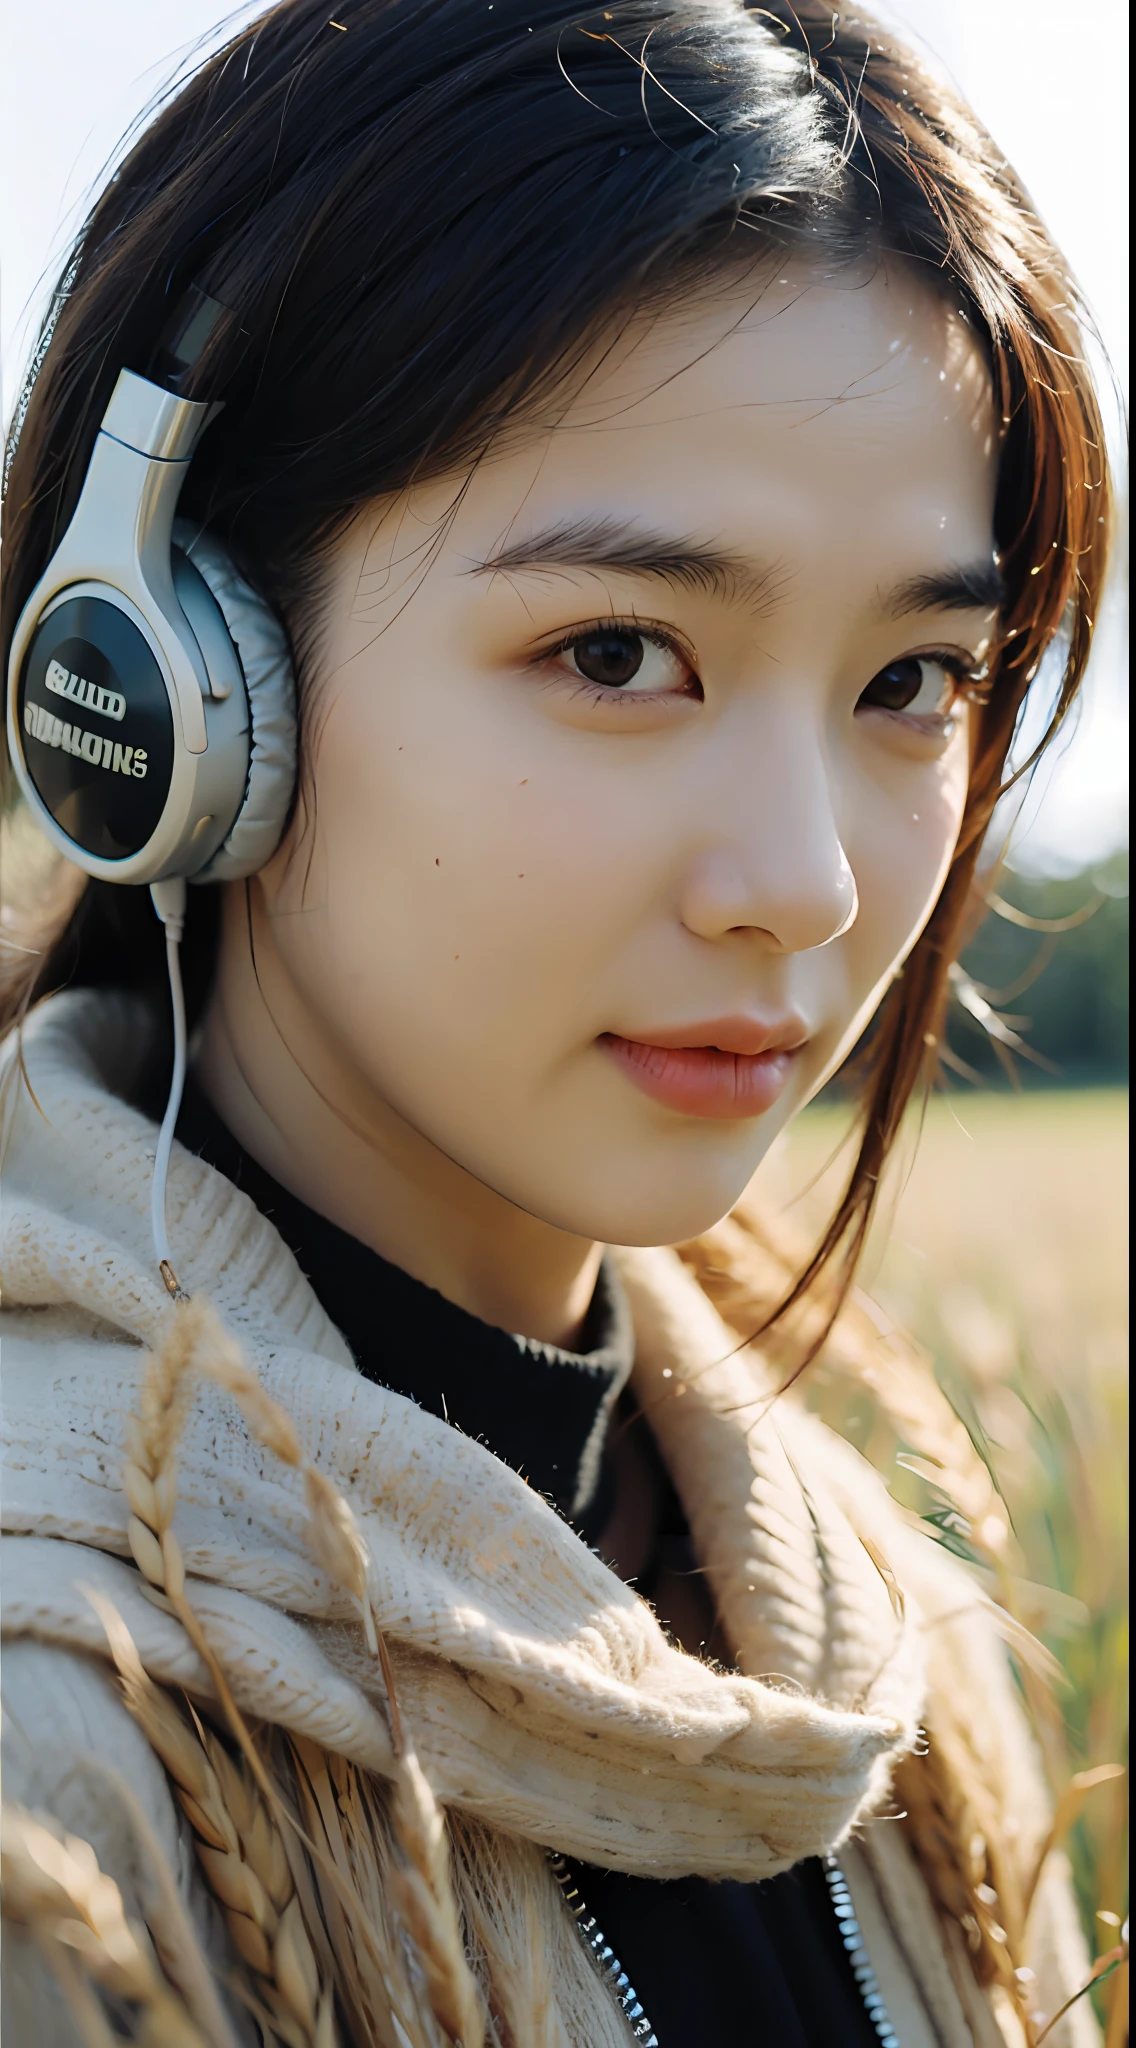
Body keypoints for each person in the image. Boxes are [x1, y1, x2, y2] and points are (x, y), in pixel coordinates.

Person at [0, 2, 1111, 2042]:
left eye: (913, 682)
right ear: (172, 684)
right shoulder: (50, 1758)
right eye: (620, 651)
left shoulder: (905, 1648)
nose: (807, 878)